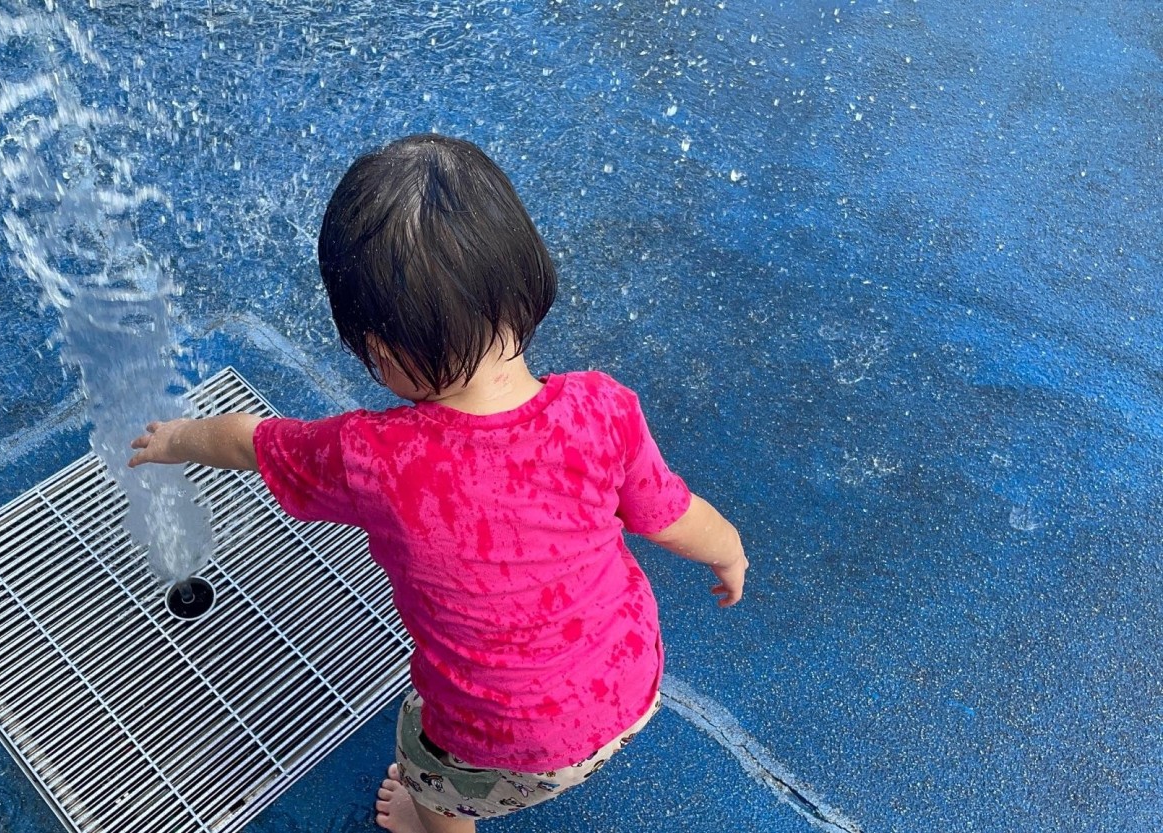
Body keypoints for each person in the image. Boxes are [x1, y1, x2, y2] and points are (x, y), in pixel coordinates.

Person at [128, 133, 747, 833]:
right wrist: (728, 552)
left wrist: (175, 438)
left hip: (499, 745)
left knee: (426, 760)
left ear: (382, 355)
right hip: (632, 691)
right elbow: (675, 514)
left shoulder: (372, 456)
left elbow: (249, 441)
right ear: (527, 278)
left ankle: (435, 821)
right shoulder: (601, 409)